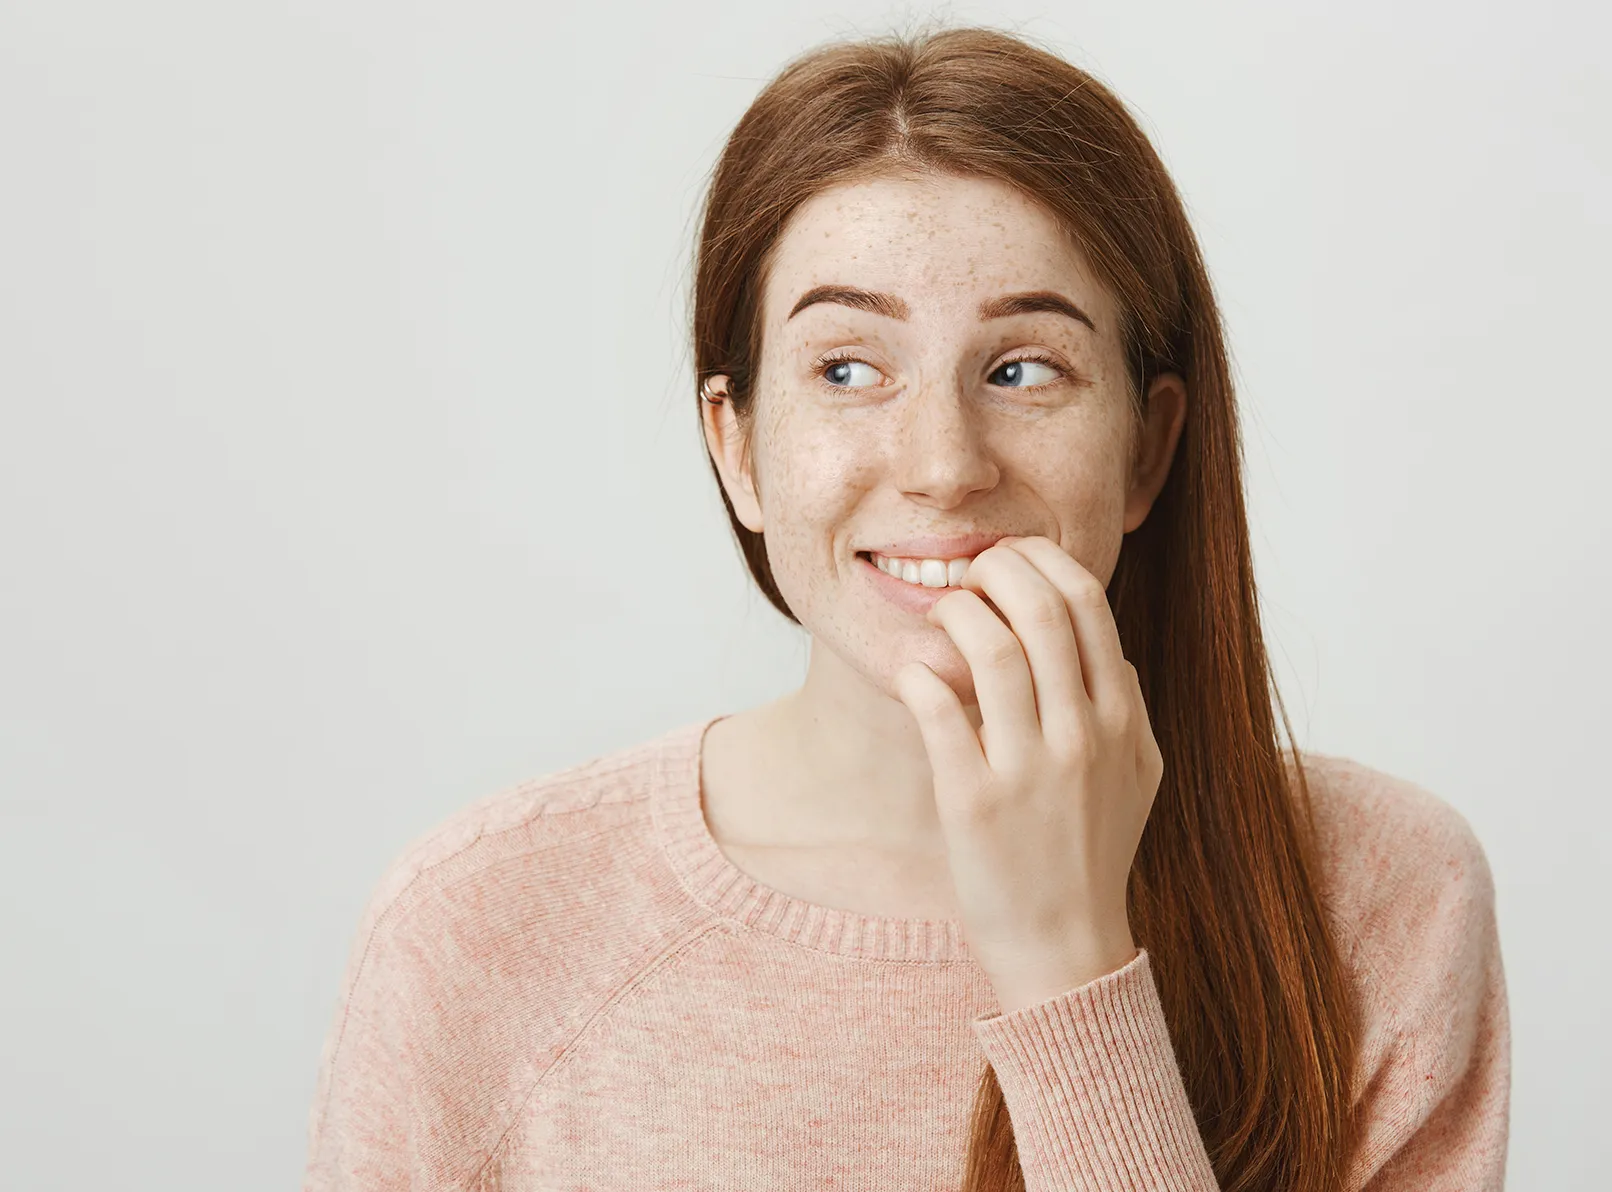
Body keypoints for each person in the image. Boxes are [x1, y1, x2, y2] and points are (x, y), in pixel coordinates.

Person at [302, 24, 1509, 1192]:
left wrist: (1068, 962)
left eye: (1023, 368)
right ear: (737, 451)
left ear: (1148, 452)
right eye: (846, 369)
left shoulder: (1385, 900)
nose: (941, 462)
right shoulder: (478, 930)